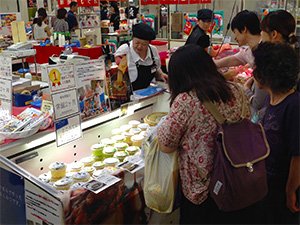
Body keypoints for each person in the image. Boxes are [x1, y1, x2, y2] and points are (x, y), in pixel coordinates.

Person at [157, 44, 259, 224]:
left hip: (203, 190)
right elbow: (247, 120)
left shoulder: (186, 100)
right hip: (239, 177)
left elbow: (166, 145)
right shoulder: (235, 89)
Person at [253, 42, 300, 224]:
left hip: (285, 188)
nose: (253, 71)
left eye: (256, 68)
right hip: (268, 185)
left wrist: (290, 191)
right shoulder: (270, 99)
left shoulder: (294, 106)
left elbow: (298, 156)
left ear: (268, 75)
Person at [214, 10, 266, 117]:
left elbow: (258, 103)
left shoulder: (265, 51)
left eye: (235, 32)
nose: (235, 37)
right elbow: (231, 60)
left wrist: (246, 87)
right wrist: (212, 64)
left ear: (244, 29)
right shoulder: (249, 51)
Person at [115, 23, 168, 91]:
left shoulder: (153, 51)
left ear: (149, 43)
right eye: (137, 42)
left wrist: (161, 75)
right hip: (129, 95)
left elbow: (156, 69)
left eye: (144, 44)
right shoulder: (123, 52)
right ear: (132, 39)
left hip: (147, 92)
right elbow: (116, 78)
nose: (139, 47)